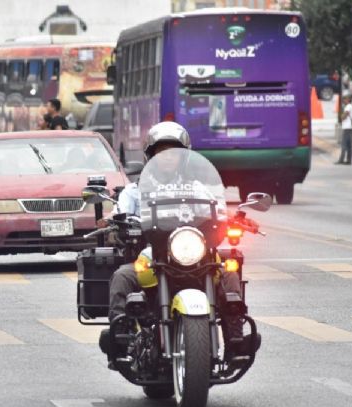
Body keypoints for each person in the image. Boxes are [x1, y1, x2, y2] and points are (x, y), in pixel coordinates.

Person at [102, 121, 252, 365]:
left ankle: (235, 341)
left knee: (229, 274)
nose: (168, 157)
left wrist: (233, 219)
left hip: (195, 256)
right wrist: (115, 221)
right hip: (152, 256)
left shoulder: (197, 188)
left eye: (174, 152)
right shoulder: (135, 191)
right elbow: (119, 213)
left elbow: (217, 211)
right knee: (122, 276)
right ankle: (121, 340)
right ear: (151, 155)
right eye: (162, 151)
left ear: (184, 157)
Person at [336, 94, 352, 165]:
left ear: (348, 100)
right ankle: (349, 160)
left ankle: (341, 159)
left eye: (345, 99)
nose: (343, 101)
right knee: (349, 145)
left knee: (344, 144)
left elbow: (344, 116)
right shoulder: (351, 106)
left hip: (347, 127)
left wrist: (341, 116)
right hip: (349, 127)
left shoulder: (348, 106)